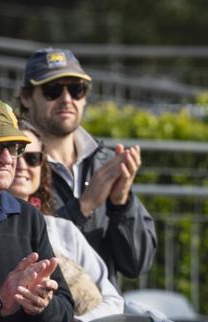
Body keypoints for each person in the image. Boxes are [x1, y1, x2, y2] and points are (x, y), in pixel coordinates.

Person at [16, 48, 156, 284]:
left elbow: (137, 263)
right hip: (45, 314)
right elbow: (17, 246)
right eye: (53, 90)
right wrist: (83, 206)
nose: (67, 99)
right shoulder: (14, 162)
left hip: (104, 312)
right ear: (26, 97)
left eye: (76, 89)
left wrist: (121, 204)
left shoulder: (105, 162)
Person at [10, 121, 124, 322]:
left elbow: (113, 300)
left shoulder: (63, 230)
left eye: (33, 158)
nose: (22, 165)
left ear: (42, 167)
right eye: (14, 154)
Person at [0, 96, 72, 322]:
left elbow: (65, 310)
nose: (7, 158)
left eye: (14, 147)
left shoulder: (29, 218)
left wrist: (42, 305)